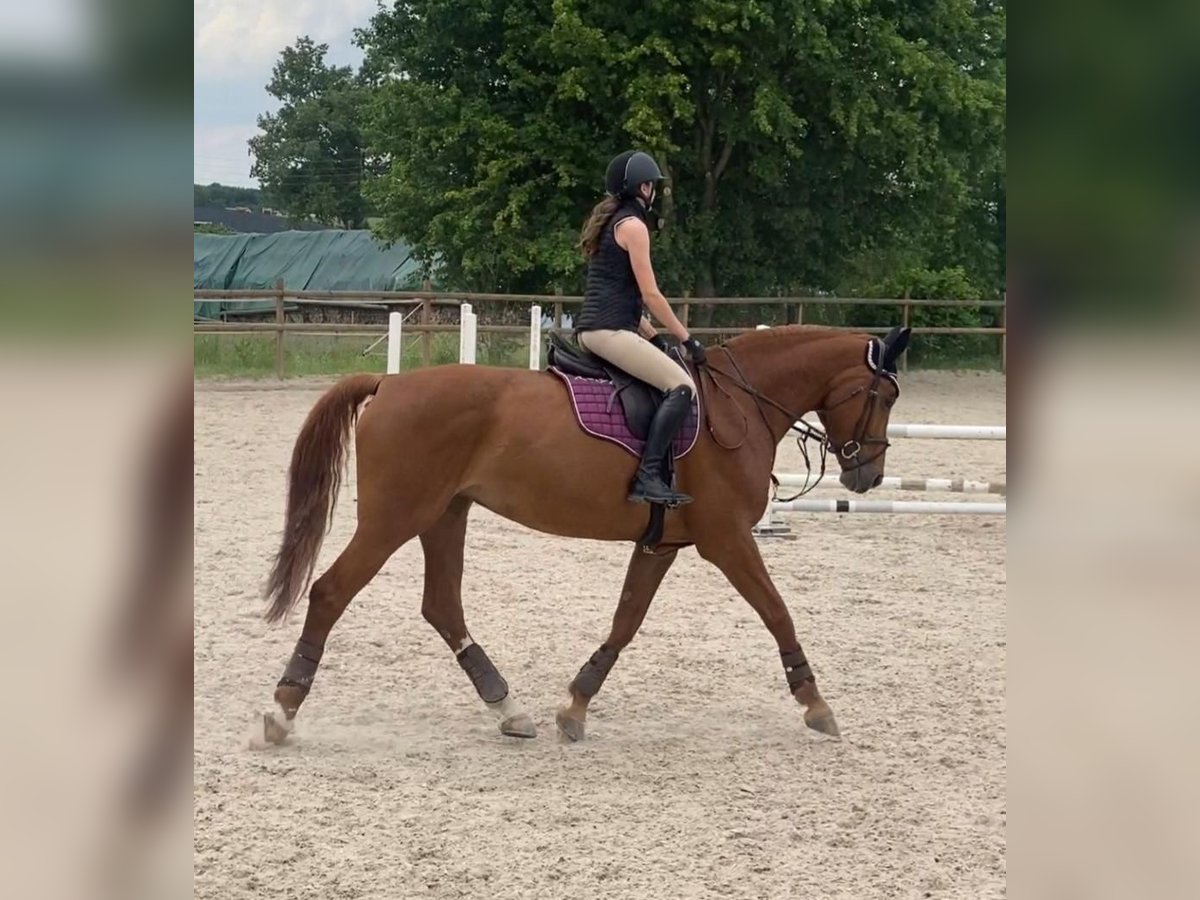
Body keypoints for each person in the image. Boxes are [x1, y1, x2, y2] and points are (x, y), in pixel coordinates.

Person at [575, 150, 707, 507]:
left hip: (603, 328)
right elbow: (650, 294)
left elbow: (623, 294)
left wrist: (655, 337)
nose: (653, 193)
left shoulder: (613, 221)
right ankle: (648, 476)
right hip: (610, 332)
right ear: (642, 187)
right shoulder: (634, 226)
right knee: (681, 386)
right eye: (651, 185)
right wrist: (687, 338)